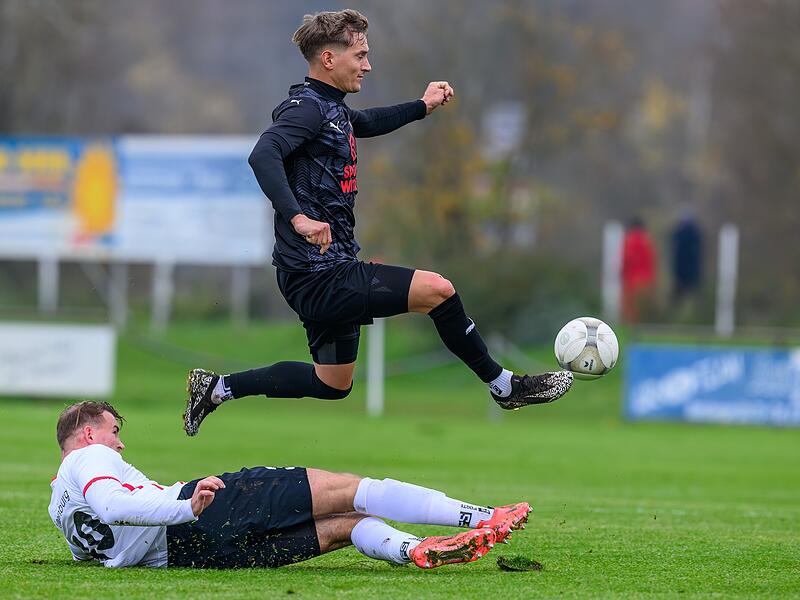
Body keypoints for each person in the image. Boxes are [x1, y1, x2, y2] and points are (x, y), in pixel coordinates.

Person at [183, 9, 572, 437]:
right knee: (438, 290)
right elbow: (263, 154)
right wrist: (299, 218)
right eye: (360, 55)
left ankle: (217, 388)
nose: (368, 65)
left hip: (318, 270)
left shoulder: (329, 109)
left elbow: (365, 122)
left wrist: (422, 106)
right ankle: (504, 386)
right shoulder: (307, 110)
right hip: (318, 273)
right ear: (329, 59)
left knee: (333, 384)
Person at [51, 401, 532, 569]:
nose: (119, 444)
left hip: (193, 556)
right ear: (88, 433)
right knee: (349, 488)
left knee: (346, 527)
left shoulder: (59, 506)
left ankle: (413, 549)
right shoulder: (90, 456)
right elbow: (112, 507)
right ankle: (485, 516)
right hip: (202, 512)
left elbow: (98, 543)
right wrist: (188, 507)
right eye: (113, 432)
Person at [621, 217, 657, 324]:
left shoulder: (629, 240)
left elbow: (626, 260)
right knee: (644, 310)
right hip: (646, 280)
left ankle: (631, 328)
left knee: (631, 311)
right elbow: (652, 261)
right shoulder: (648, 241)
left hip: (632, 280)